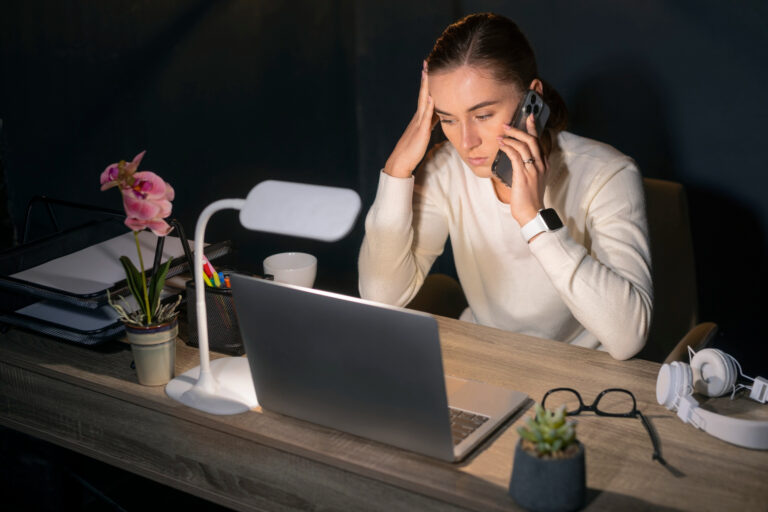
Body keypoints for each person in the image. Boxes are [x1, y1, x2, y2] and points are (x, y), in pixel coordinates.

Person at [358, 13, 652, 360]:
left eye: (483, 116)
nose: (466, 142)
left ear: (533, 99)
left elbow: (627, 337)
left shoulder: (608, 174)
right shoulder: (444, 169)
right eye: (448, 119)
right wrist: (396, 171)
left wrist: (534, 219)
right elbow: (380, 295)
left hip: (582, 375)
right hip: (487, 364)